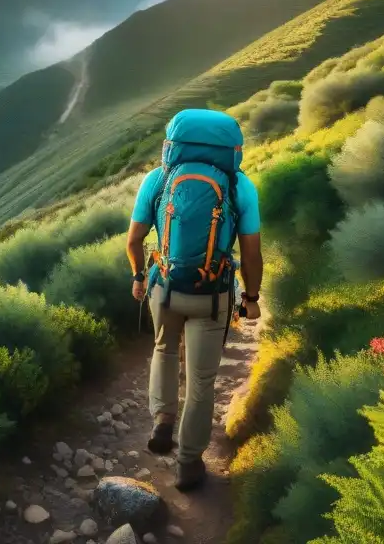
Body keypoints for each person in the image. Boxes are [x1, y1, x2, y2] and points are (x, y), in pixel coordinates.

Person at [125, 108, 263, 492]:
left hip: (165, 290)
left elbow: (134, 241)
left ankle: (162, 421)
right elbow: (251, 254)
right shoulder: (240, 186)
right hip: (213, 296)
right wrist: (251, 298)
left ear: (173, 145)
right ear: (233, 150)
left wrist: (139, 276)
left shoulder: (158, 179)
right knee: (202, 380)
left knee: (164, 350)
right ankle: (188, 464)